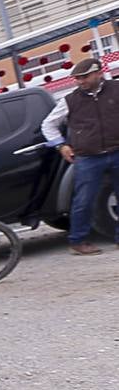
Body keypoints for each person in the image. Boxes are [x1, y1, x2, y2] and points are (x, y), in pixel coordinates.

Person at [40, 56, 118, 255]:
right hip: (88, 158)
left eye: (84, 77)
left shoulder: (116, 89)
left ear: (98, 73)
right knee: (83, 200)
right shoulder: (70, 100)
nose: (80, 81)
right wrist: (61, 146)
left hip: (117, 151)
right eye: (77, 78)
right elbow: (48, 125)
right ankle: (77, 240)